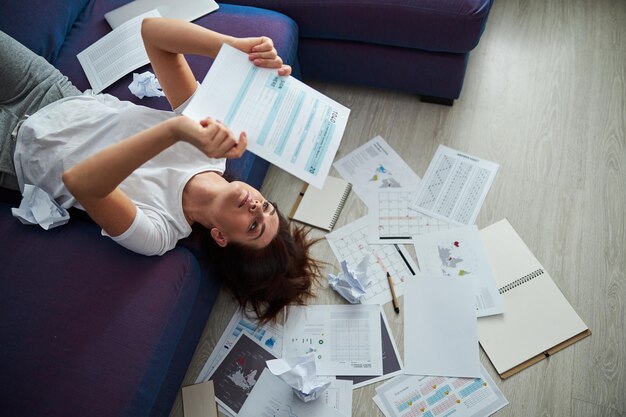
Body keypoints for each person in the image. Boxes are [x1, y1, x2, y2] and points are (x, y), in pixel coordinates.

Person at [0, 18, 321, 322]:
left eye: (253, 226)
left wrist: (176, 130)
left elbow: (81, 181)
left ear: (221, 238)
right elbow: (153, 34)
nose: (256, 206)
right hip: (51, 91)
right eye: (266, 207)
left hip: (14, 153)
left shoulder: (158, 234)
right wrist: (232, 47)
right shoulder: (211, 148)